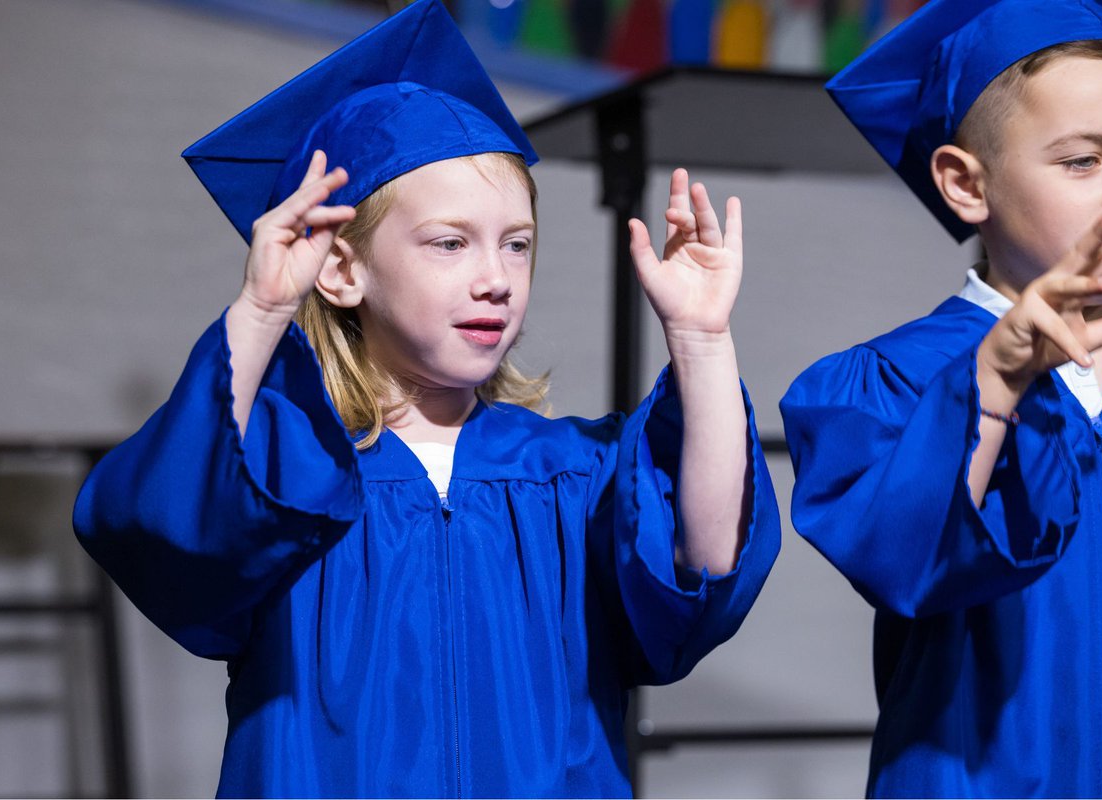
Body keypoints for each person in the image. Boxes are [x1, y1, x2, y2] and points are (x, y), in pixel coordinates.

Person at [73, 1, 781, 796]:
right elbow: (171, 526)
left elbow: (707, 559)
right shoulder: (283, 477)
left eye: (517, 244)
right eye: (450, 242)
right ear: (341, 271)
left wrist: (700, 339)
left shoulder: (570, 473)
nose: (495, 277)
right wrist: (263, 311)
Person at [779, 0, 1102, 795]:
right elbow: (905, 563)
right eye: (1082, 162)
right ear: (966, 184)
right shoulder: (888, 383)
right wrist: (993, 386)